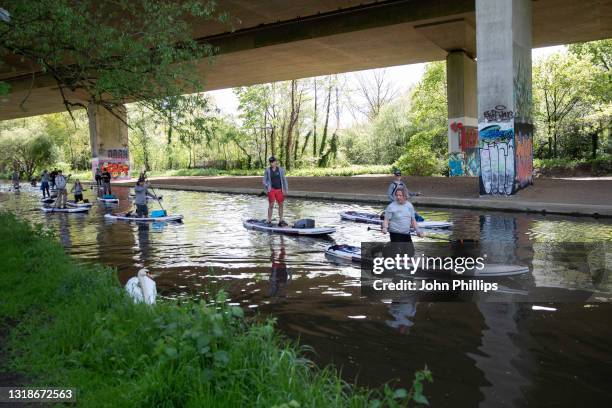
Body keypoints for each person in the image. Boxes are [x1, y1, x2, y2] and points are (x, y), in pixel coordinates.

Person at [262, 156, 288, 226]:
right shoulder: (267, 170)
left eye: (273, 162)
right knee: (271, 205)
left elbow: (284, 179)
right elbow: (264, 180)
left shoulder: (280, 170)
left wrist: (286, 189)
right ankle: (269, 219)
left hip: (279, 190)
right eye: (270, 162)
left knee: (281, 205)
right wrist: (267, 186)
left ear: (276, 162)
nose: (272, 163)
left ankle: (281, 220)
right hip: (272, 190)